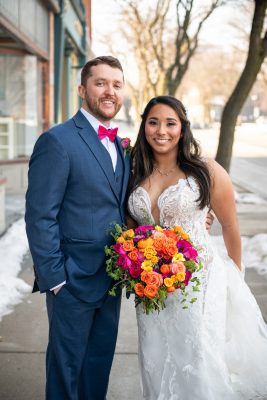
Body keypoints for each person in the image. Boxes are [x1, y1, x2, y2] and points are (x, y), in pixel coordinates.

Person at [127, 95, 267, 399]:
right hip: (151, 288)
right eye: (153, 122)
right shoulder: (134, 170)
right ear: (144, 127)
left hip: (199, 283)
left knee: (196, 361)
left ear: (183, 128)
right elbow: (130, 228)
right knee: (154, 359)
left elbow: (230, 226)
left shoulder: (205, 170)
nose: (161, 130)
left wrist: (235, 279)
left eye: (170, 123)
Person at [25, 56, 131, 400]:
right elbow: (40, 216)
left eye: (116, 84)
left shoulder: (120, 145)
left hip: (112, 280)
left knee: (98, 366)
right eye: (100, 83)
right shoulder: (57, 141)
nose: (109, 91)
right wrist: (55, 278)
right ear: (82, 89)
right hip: (71, 281)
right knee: (65, 370)